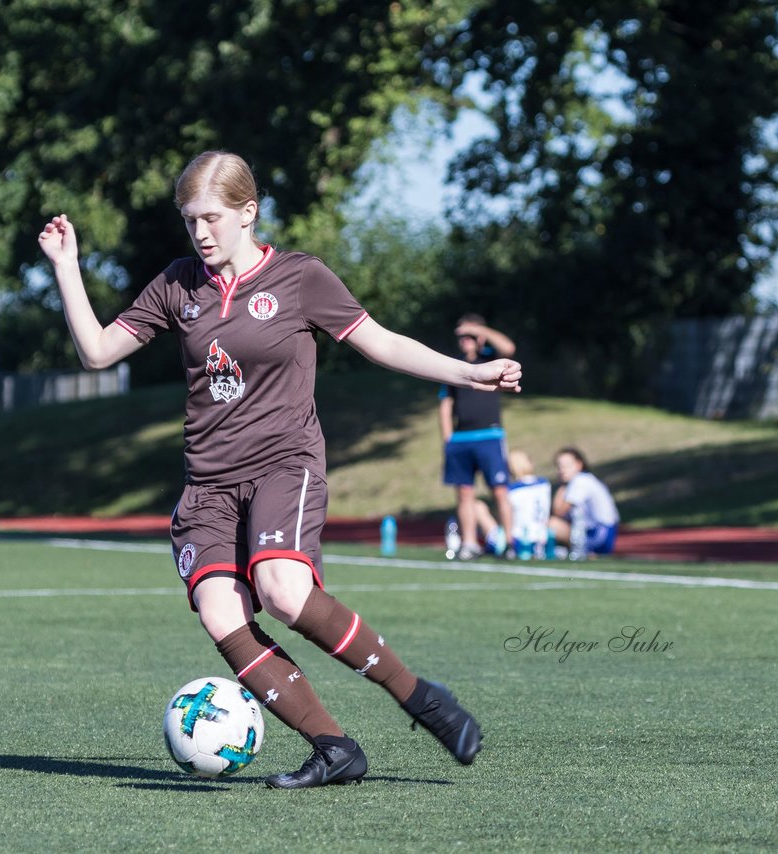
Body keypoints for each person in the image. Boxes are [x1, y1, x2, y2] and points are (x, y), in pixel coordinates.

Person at [38, 151, 522, 789]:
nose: (201, 233)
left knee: (283, 591)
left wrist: (470, 372)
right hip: (209, 482)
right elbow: (98, 352)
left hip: (283, 465)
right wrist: (68, 269)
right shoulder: (177, 284)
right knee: (220, 613)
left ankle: (420, 698)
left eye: (212, 217)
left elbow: (381, 342)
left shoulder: (301, 277)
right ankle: (333, 747)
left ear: (249, 212)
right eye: (190, 221)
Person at [439, 313, 517, 560]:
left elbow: (509, 347)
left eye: (470, 336)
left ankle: (511, 543)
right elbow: (445, 403)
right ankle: (470, 542)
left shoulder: (491, 358)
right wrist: (448, 438)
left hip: (489, 435)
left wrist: (480, 330)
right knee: (464, 494)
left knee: (500, 491)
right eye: (461, 336)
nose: (465, 340)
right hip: (461, 439)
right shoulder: (456, 366)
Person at [549, 447, 619, 558]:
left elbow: (559, 511)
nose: (562, 470)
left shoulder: (580, 481)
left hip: (598, 535)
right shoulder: (585, 480)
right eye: (559, 466)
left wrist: (562, 488)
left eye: (566, 466)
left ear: (579, 464)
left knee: (552, 524)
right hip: (603, 532)